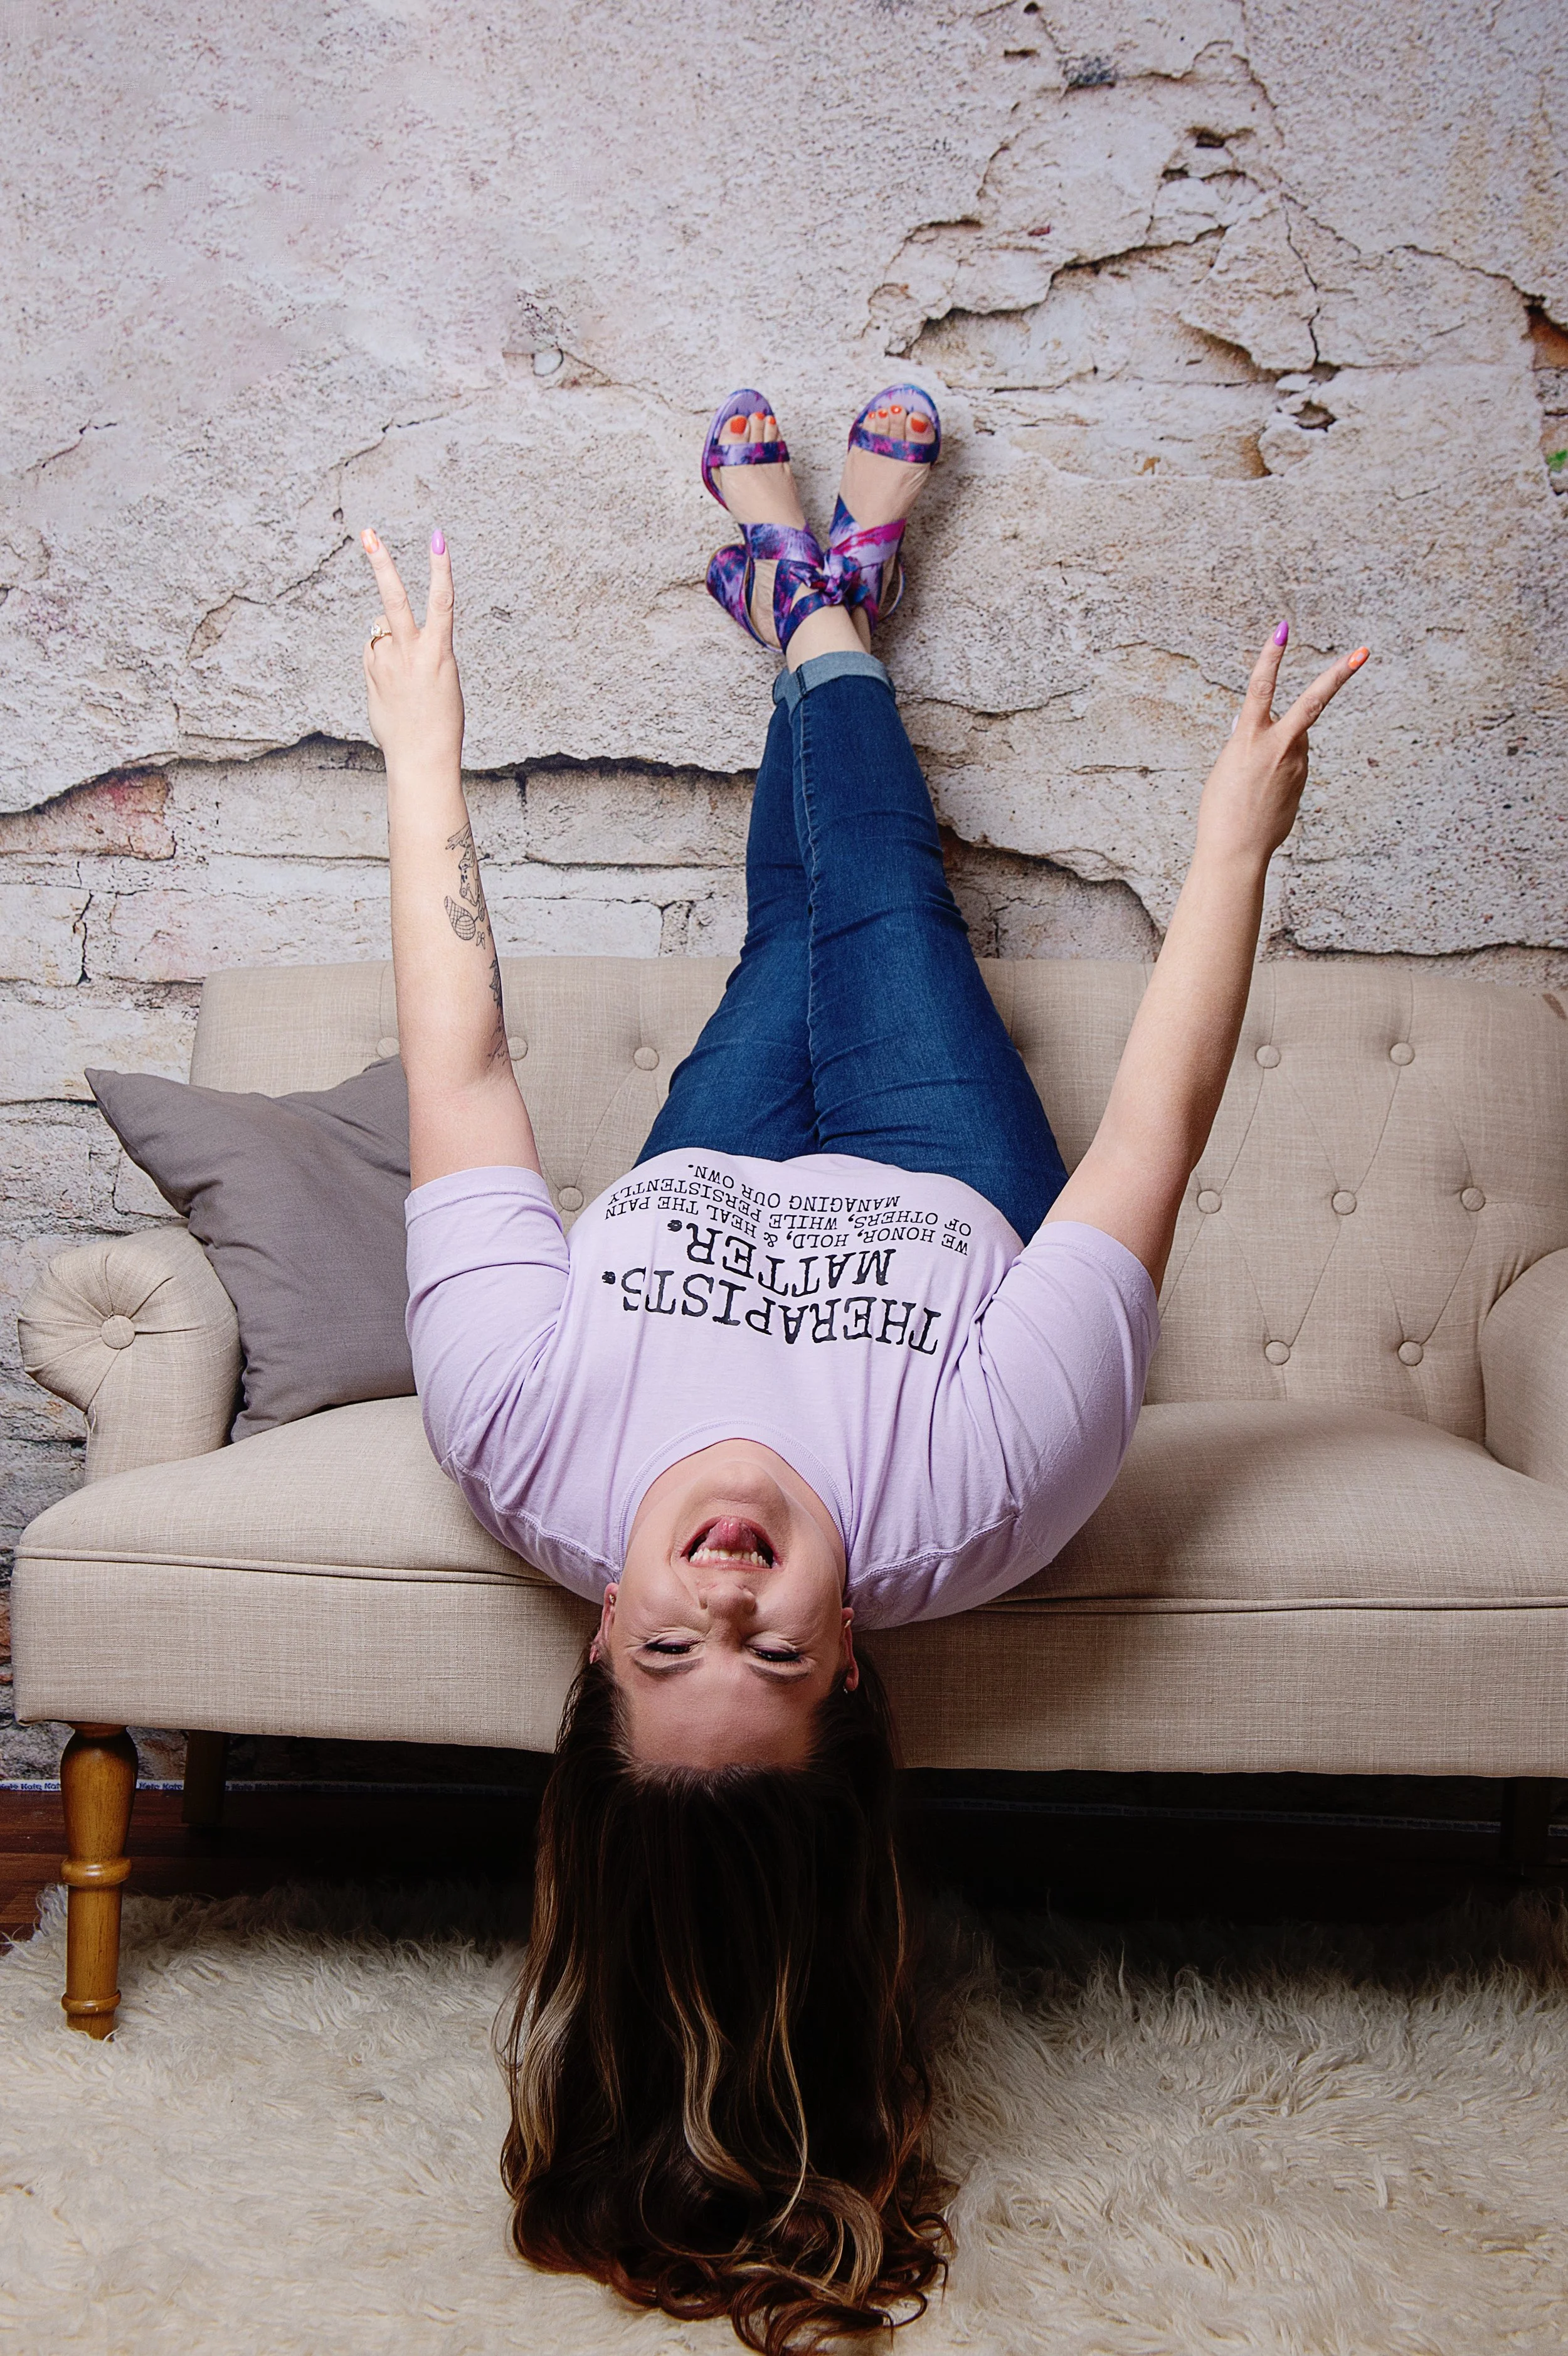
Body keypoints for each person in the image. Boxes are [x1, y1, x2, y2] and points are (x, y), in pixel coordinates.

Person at [358, 384, 1367, 2351]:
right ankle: (819, 612)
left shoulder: (520, 1437)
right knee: (878, 905)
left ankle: (818, 600)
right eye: (775, 1650)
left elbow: (462, 1073)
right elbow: (1147, 1138)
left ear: (593, 1643)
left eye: (669, 1647)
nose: (725, 1586)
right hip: (937, 1167)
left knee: (795, 917)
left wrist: (421, 752)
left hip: (709, 1153)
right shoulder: (987, 1489)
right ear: (857, 1667)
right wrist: (1233, 850)